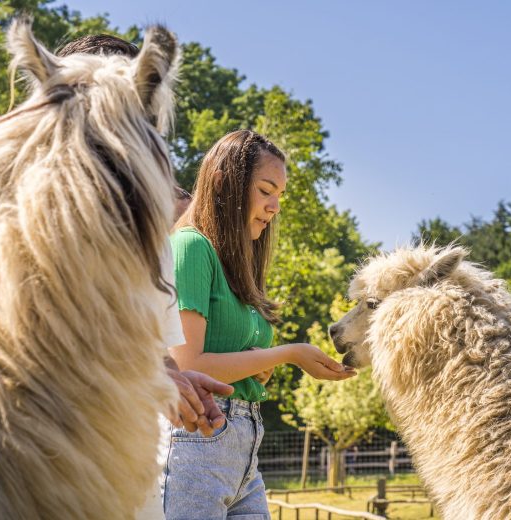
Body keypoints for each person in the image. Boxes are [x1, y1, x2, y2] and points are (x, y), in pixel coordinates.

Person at [55, 34, 232, 520]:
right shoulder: (16, 217)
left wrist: (177, 384)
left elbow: (159, 354)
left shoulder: (157, 240)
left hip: (126, 481)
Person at [163, 130, 356, 519]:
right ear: (224, 183)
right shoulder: (190, 247)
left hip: (245, 451)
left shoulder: (237, 267)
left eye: (279, 195)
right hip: (197, 442)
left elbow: (229, 359)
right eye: (266, 190)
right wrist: (288, 355)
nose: (274, 207)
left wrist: (258, 367)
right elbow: (189, 365)